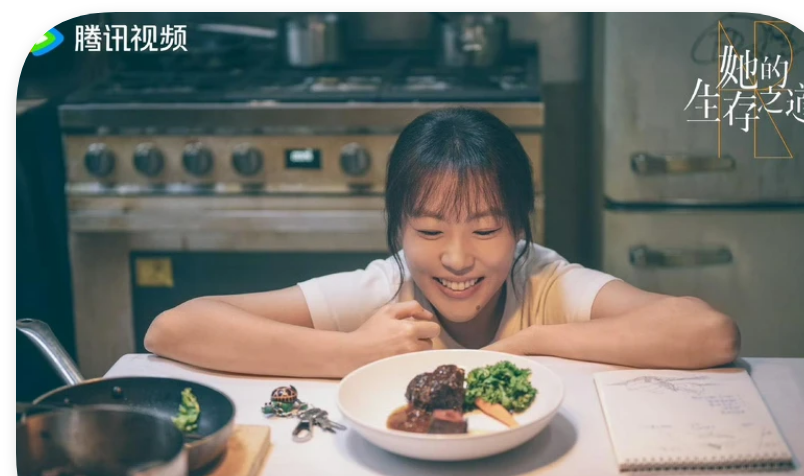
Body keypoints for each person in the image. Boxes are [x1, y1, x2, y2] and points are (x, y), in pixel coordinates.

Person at [144, 107, 740, 378]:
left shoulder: (543, 280)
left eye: (485, 230)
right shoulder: (387, 292)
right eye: (430, 232)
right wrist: (349, 353)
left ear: (520, 229)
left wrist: (528, 344)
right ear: (399, 230)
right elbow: (174, 328)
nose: (457, 259)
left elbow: (710, 333)